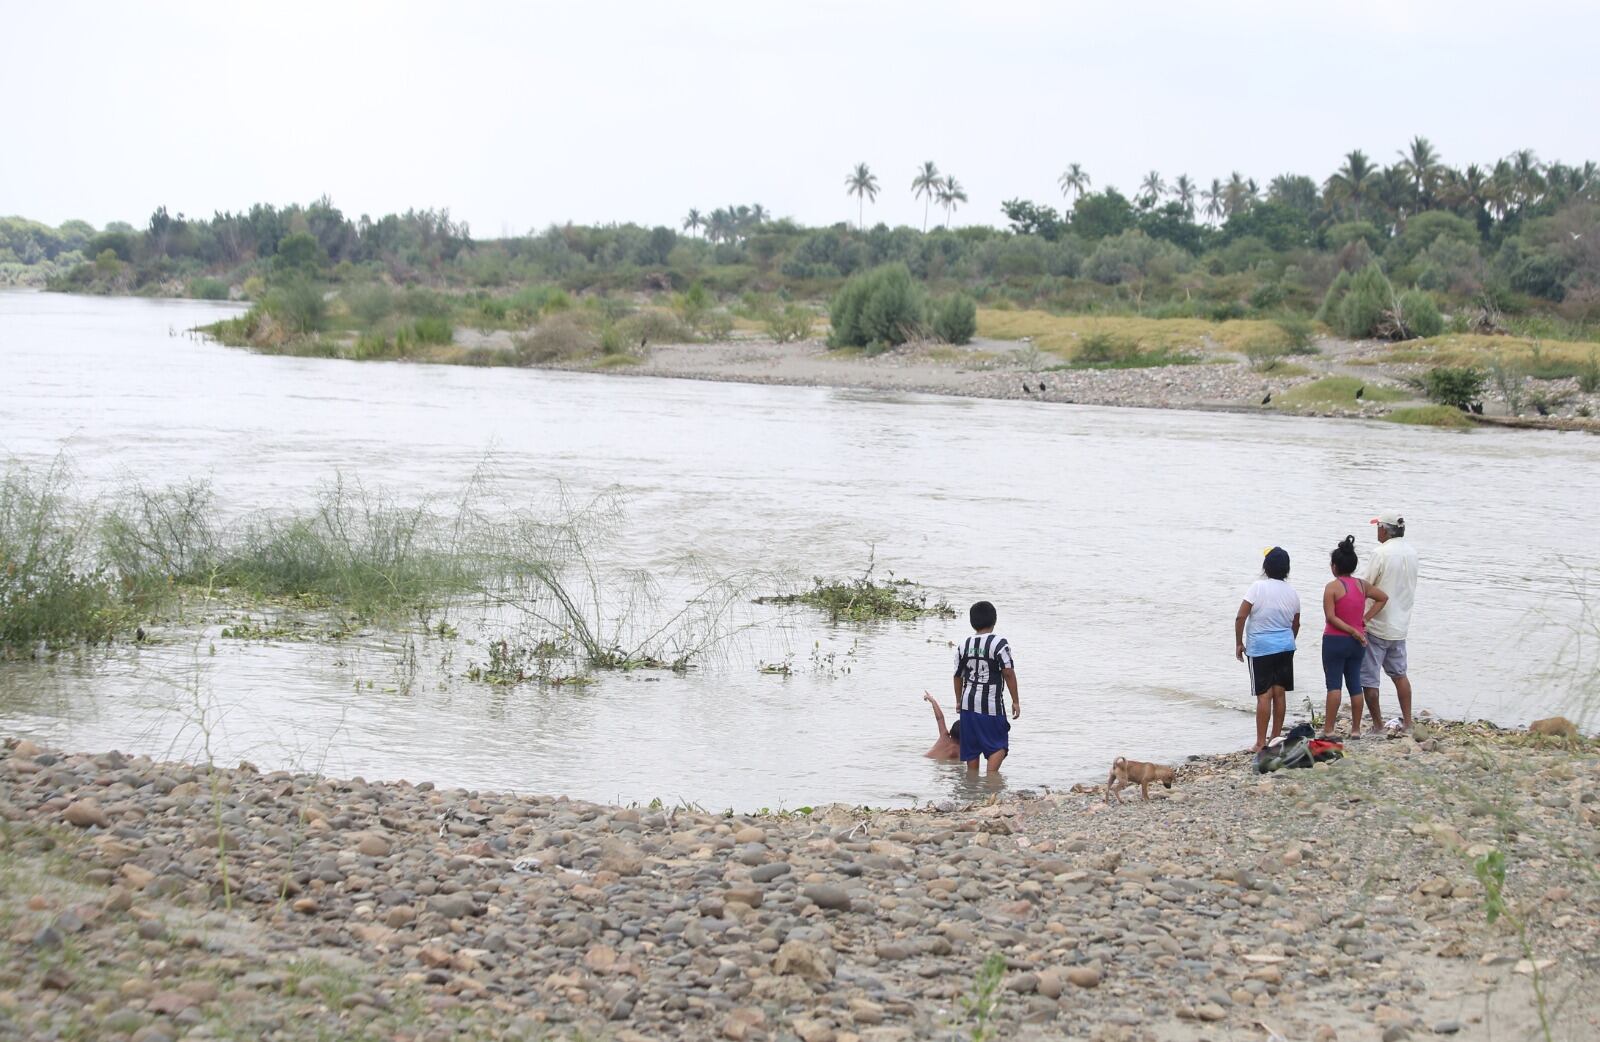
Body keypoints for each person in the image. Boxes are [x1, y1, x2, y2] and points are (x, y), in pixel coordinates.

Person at [1320, 535, 1388, 738]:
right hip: (1358, 642)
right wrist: (1364, 621)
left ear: (1334, 567)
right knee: (1354, 683)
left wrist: (1351, 629)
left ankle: (1329, 729)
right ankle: (1356, 730)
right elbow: (1383, 598)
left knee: (1334, 684)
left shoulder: (1332, 587)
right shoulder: (1362, 585)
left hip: (1335, 640)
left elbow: (1330, 617)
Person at [1234, 547, 1300, 752]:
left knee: (1264, 695)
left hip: (1261, 648)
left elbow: (1241, 616)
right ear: (1286, 569)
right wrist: (1287, 641)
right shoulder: (1292, 593)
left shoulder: (1257, 587)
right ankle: (1275, 739)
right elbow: (1296, 623)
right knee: (1279, 694)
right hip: (1286, 646)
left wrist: (1238, 642)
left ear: (1266, 567)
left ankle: (1260, 742)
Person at [1359, 511, 1419, 733]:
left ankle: (1377, 725)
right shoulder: (1412, 553)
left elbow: (1365, 585)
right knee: (1399, 674)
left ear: (1384, 529)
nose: (1377, 531)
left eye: (1378, 527)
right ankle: (1408, 723)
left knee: (1370, 678)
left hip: (1376, 624)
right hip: (1400, 625)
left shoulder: (1380, 553)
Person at [953, 600, 1019, 773]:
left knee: (971, 750)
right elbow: (1008, 672)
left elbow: (957, 676)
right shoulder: (999, 643)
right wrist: (1016, 701)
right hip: (991, 705)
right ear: (994, 620)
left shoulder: (963, 645)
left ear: (972, 622)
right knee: (999, 746)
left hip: (968, 704)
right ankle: (991, 781)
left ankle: (973, 788)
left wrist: (958, 701)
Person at [921, 691, 962, 760]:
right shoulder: (956, 751)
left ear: (951, 731)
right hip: (929, 763)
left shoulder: (944, 735)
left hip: (925, 758)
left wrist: (932, 701)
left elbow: (940, 718)